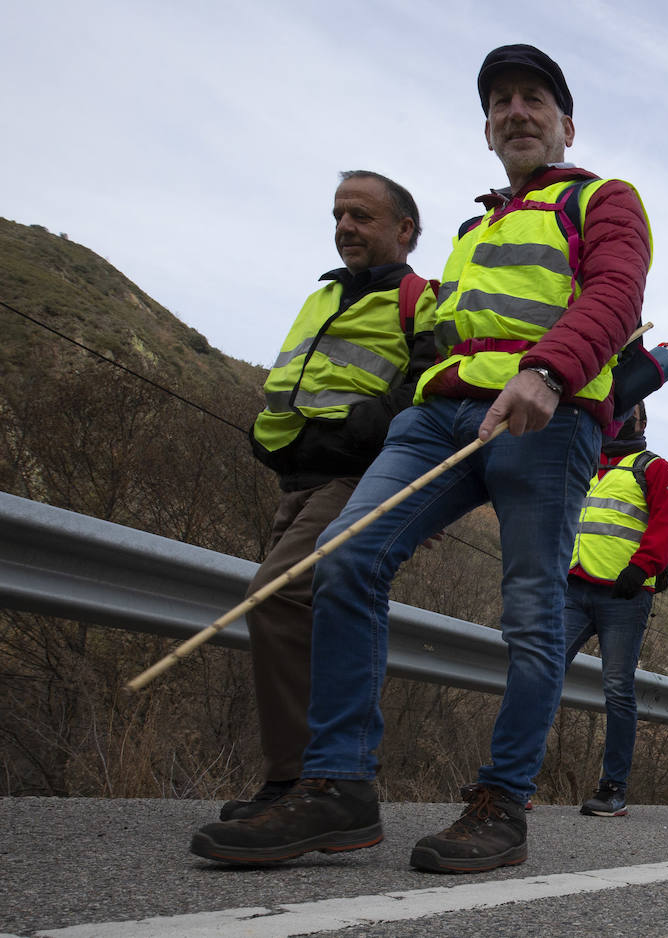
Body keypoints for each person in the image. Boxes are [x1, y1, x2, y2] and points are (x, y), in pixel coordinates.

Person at [191, 44, 653, 873]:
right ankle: (338, 788)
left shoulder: (604, 199)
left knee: (532, 612)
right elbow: (439, 331)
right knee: (347, 559)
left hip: (543, 419)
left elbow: (617, 295)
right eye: (501, 102)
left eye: (534, 99)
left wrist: (550, 370)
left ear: (566, 124)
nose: (516, 110)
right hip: (438, 418)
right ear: (486, 131)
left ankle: (501, 803)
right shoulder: (474, 230)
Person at [218, 171, 434, 822]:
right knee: (295, 616)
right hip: (295, 476)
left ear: (404, 230)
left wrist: (367, 429)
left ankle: (305, 783)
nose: (344, 226)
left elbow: (430, 385)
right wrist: (268, 435)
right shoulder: (323, 296)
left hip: (356, 478)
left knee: (279, 596)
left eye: (362, 216)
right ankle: (306, 782)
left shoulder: (423, 298)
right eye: (339, 214)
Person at [562, 401, 668, 817]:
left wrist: (641, 568)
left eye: (628, 409)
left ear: (641, 420)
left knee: (616, 689)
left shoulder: (654, 467)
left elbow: (667, 526)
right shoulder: (587, 462)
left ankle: (613, 789)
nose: (620, 416)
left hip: (625, 596)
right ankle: (514, 781)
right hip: (573, 587)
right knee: (542, 671)